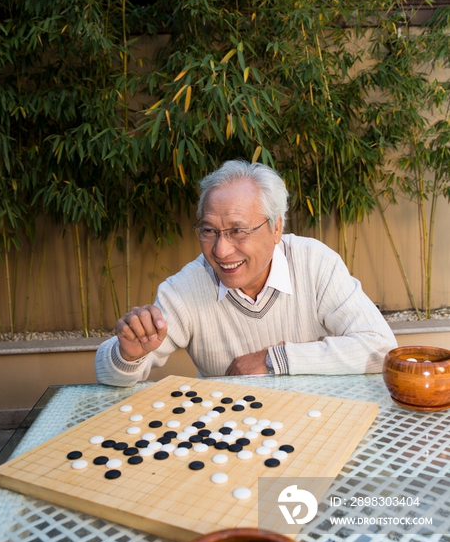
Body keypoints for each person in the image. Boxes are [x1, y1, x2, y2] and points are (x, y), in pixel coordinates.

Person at [95, 160, 397, 386]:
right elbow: (109, 376)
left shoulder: (315, 263)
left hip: (317, 424)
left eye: (238, 231)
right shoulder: (186, 287)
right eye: (209, 231)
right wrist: (128, 355)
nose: (221, 250)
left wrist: (274, 360)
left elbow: (381, 347)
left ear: (276, 227)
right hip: (231, 439)